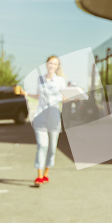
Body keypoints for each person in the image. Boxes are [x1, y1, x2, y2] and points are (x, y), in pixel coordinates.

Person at [24, 56, 68, 186]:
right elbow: (38, 96)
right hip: (40, 116)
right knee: (42, 145)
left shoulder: (61, 81)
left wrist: (75, 98)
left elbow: (64, 98)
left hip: (54, 116)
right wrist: (25, 94)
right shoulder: (40, 79)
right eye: (50, 63)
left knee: (52, 148)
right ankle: (39, 175)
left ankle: (46, 172)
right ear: (46, 64)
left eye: (55, 64)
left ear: (57, 66)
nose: (52, 66)